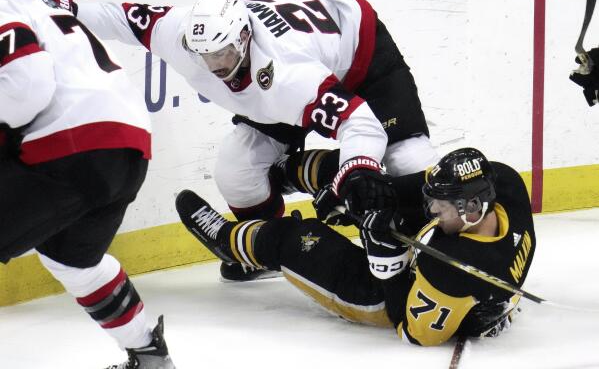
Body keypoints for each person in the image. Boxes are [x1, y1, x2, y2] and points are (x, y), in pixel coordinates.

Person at [22, 0, 439, 281]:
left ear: (243, 38)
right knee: (236, 169)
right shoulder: (181, 33)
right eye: (204, 55)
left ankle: (434, 249)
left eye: (222, 53)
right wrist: (58, 4)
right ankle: (259, 248)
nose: (214, 67)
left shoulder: (287, 72)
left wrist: (361, 170)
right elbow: (118, 18)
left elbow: (358, 120)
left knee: (408, 161)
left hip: (359, 46)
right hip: (290, 65)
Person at [175, 147, 536, 345]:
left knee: (296, 240)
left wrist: (383, 252)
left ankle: (229, 244)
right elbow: (410, 190)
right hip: (448, 267)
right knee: (364, 178)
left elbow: (410, 329)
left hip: (393, 295)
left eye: (438, 208)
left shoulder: (453, 270)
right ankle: (284, 170)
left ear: (470, 208)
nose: (430, 211)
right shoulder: (504, 183)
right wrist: (356, 196)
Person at [0, 0, 175, 368]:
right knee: (73, 261)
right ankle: (149, 355)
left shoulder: (3, 5)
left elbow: (25, 88)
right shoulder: (45, 8)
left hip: (70, 148)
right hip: (127, 153)